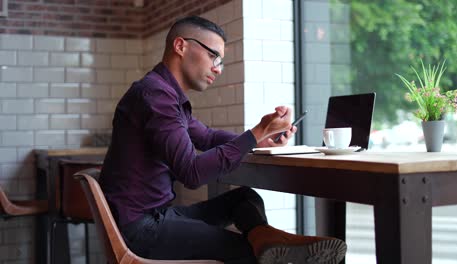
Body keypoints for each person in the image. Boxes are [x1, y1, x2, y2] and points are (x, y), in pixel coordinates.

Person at [99, 15, 346, 264]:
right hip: (141, 229)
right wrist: (257, 133)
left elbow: (206, 136)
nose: (217, 68)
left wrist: (258, 139)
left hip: (158, 217)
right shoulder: (156, 96)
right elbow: (192, 173)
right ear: (181, 46)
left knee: (245, 199)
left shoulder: (166, 96)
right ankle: (277, 245)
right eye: (213, 56)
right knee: (250, 253)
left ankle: (273, 242)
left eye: (221, 61)